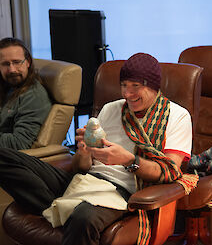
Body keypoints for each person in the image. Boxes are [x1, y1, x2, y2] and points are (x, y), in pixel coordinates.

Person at [0, 53, 197, 245]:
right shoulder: (111, 109)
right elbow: (81, 166)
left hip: (123, 192)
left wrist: (128, 160)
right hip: (84, 181)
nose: (127, 94)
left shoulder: (177, 116)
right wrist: (84, 151)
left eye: (135, 87)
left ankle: (65, 206)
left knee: (83, 218)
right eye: (124, 86)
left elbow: (170, 171)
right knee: (5, 158)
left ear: (154, 86)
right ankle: (64, 204)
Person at [0, 37, 51, 149]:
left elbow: (19, 143)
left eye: (17, 62)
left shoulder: (33, 96)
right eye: (5, 64)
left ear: (27, 62)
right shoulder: (7, 86)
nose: (12, 69)